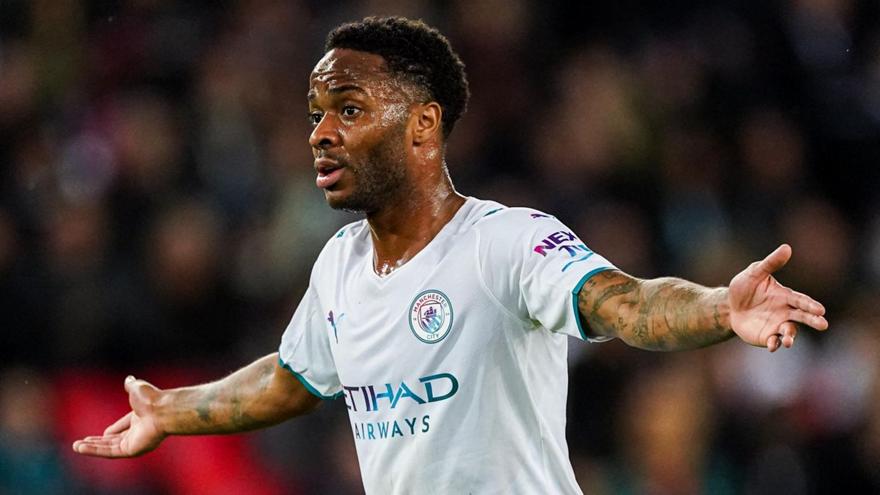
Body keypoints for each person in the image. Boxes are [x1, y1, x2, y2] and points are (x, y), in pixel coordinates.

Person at [72, 16, 829, 495]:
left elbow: (625, 303)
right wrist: (169, 410)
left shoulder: (505, 242)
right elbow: (292, 377)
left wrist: (717, 307)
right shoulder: (338, 264)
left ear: (423, 126)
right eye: (316, 113)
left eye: (349, 109)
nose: (320, 133)